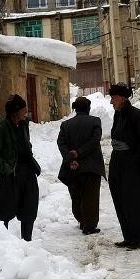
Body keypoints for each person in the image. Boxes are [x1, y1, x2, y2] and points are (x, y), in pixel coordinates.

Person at [108, 82, 140, 250]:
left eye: (113, 98)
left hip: (133, 165)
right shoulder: (117, 115)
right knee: (120, 200)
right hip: (118, 162)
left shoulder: (137, 115)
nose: (111, 102)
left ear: (122, 98)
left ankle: (138, 238)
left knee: (134, 202)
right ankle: (128, 236)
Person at [0, 94, 41, 241]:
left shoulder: (24, 125)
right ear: (15, 111)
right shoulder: (0, 129)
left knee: (29, 209)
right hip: (10, 175)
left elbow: (26, 146)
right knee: (4, 210)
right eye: (24, 109)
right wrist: (7, 169)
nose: (26, 112)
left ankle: (27, 241)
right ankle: (4, 244)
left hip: (27, 173)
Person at [57, 96, 105, 235]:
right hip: (91, 166)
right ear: (88, 108)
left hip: (73, 167)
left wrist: (70, 156)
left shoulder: (65, 125)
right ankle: (89, 225)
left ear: (75, 109)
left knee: (76, 195)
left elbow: (61, 143)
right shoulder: (95, 121)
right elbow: (95, 140)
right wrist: (79, 153)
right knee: (91, 196)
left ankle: (82, 220)